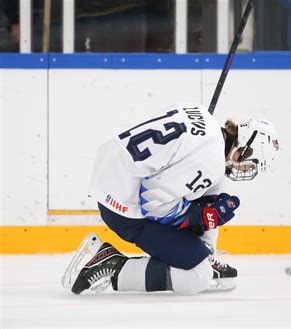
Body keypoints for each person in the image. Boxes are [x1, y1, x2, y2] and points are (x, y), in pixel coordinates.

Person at [62, 103, 279, 295]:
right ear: (244, 148)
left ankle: (203, 253)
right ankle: (114, 264)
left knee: (216, 182)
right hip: (123, 209)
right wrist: (201, 216)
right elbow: (152, 204)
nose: (247, 169)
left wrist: (199, 208)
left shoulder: (201, 113)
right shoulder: (211, 162)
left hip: (112, 171)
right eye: (251, 163)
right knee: (199, 276)